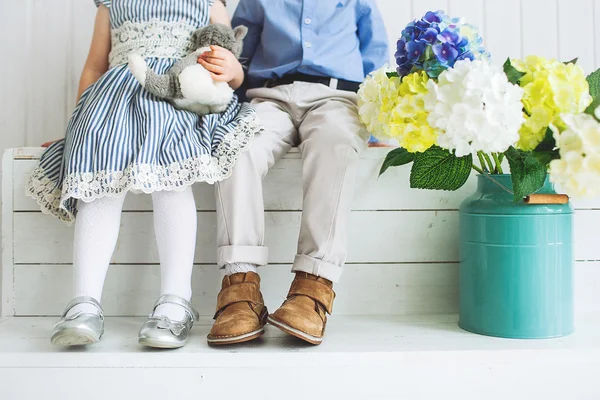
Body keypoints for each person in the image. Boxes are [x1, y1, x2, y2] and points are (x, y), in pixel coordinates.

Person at [26, 0, 261, 349]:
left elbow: (231, 66)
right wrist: (76, 121)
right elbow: (94, 67)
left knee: (171, 182)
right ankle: (85, 303)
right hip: (115, 98)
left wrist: (233, 70)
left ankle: (175, 300)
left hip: (176, 97)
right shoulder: (111, 4)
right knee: (99, 181)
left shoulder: (209, 3)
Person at [200, 0, 389, 345]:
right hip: (269, 97)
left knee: (337, 142)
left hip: (337, 97)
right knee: (236, 147)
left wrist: (377, 124)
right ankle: (240, 287)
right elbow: (239, 52)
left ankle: (313, 286)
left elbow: (376, 58)